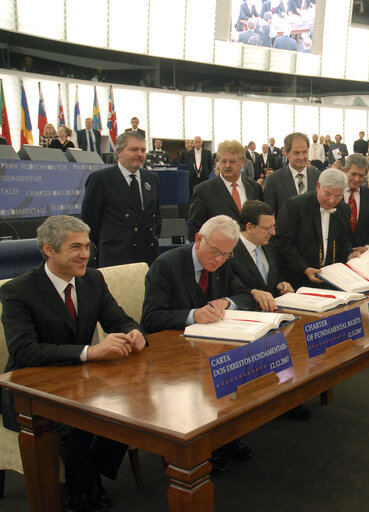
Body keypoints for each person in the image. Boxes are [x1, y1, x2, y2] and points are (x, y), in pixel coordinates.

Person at [0, 215, 147, 512]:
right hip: (30, 386)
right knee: (77, 423)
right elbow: (25, 351)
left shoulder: (92, 279)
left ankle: (90, 478)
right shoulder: (18, 291)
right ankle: (79, 495)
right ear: (49, 250)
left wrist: (135, 331)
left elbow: (118, 318)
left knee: (134, 403)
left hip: (81, 378)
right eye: (75, 247)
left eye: (87, 246)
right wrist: (89, 352)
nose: (85, 254)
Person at [141, 215, 255, 469]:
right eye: (215, 252)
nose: (218, 260)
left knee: (231, 372)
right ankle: (202, 451)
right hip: (173, 357)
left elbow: (244, 296)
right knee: (204, 386)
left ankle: (225, 438)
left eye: (226, 254)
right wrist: (193, 315)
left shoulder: (222, 262)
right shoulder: (167, 265)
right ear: (198, 239)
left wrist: (226, 302)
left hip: (209, 348)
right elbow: (150, 318)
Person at [81, 132, 161, 267]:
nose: (140, 154)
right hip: (115, 257)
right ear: (119, 152)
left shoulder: (152, 178)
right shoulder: (101, 179)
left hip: (147, 256)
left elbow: (156, 217)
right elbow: (90, 221)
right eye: (134, 149)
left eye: (143, 150)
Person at [274, 168, 354, 289]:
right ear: (318, 186)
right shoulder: (295, 206)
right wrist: (304, 269)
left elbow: (343, 240)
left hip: (332, 281)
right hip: (298, 280)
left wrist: (349, 254)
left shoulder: (344, 210)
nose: (332, 201)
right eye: (327, 194)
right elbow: (283, 242)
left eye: (338, 196)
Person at [187, 139, 263, 241]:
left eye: (232, 161)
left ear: (242, 163)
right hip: (218, 253)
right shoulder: (203, 191)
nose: (227, 165)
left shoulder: (255, 188)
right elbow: (195, 229)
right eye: (223, 161)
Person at [230, 200, 293, 312]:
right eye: (267, 228)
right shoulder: (230, 251)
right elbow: (228, 288)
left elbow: (273, 278)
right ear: (249, 227)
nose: (273, 232)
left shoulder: (270, 246)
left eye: (274, 226)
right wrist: (252, 293)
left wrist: (281, 284)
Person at [262, 132, 320, 214]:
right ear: (286, 153)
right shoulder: (273, 180)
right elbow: (269, 214)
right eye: (296, 153)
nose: (301, 157)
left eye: (304, 152)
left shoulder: (319, 177)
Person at [344, 154, 369, 253]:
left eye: (361, 176)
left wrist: (368, 247)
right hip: (337, 256)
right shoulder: (334, 194)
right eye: (354, 174)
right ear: (345, 171)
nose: (357, 179)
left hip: (363, 256)